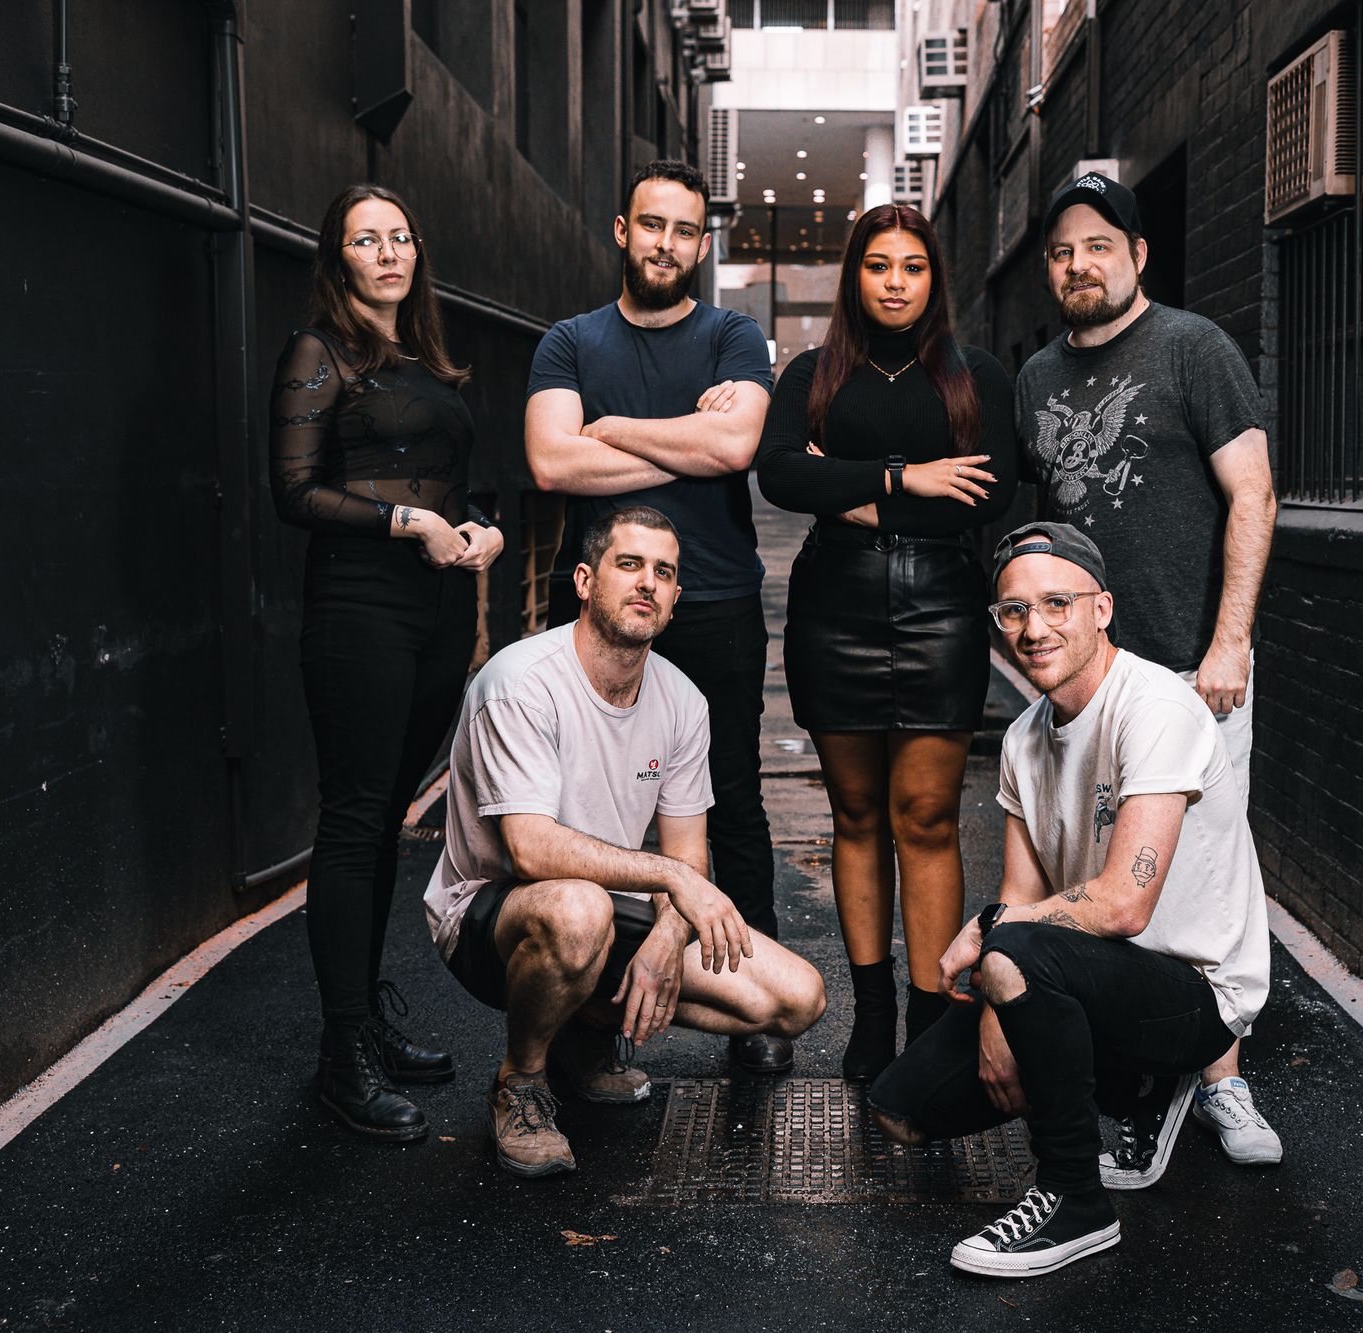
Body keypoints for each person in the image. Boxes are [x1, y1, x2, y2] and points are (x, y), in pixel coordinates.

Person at [868, 523, 1270, 1277]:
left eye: (1056, 603)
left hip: (1193, 995)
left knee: (1015, 946)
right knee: (901, 1109)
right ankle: (1133, 1087)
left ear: (1102, 608)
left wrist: (993, 940)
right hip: (1087, 980)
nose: (1034, 627)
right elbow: (1019, 897)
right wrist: (995, 1010)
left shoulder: (1156, 708)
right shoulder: (1024, 737)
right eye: (1013, 611)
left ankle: (1076, 1201)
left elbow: (1124, 905)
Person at [422, 506, 827, 1176]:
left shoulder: (682, 702)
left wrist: (667, 940)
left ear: (672, 603)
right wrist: (671, 882)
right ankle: (521, 1081)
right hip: (490, 917)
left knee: (794, 998)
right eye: (629, 564)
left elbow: (688, 853)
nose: (647, 582)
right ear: (584, 580)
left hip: (608, 910)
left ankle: (584, 1032)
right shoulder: (520, 683)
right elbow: (528, 848)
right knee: (581, 912)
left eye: (663, 573)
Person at [1017, 172, 1283, 1166]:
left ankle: (1222, 1081)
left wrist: (1229, 640)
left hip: (1187, 667)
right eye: (1060, 250)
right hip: (1088, 686)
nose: (1077, 263)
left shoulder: (1191, 347)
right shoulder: (1035, 378)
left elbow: (1250, 495)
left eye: (1097, 243)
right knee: (1102, 883)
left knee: (1206, 883)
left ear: (1134, 253)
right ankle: (1135, 1076)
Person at [524, 160, 792, 1074]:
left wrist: (610, 430)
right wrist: (683, 440)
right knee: (583, 805)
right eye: (651, 226)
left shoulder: (733, 334)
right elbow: (553, 468)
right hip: (597, 606)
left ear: (702, 244)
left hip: (714, 600)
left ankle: (750, 1008)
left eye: (683, 230)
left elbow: (737, 445)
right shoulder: (568, 342)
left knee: (733, 799)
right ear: (621, 230)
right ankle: (573, 1014)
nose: (666, 244)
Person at [755, 204, 1016, 1080]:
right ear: (854, 276)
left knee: (928, 818)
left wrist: (849, 486)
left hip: (943, 610)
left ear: (934, 277)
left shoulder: (974, 375)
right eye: (878, 265)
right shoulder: (813, 370)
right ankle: (873, 1020)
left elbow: (988, 492)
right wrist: (910, 477)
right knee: (856, 816)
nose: (895, 281)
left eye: (912, 266)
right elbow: (783, 471)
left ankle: (932, 1022)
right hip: (835, 611)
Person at [269, 184, 505, 1141]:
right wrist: (404, 520)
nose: (390, 252)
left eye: (402, 236)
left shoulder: (433, 363)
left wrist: (484, 529)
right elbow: (293, 492)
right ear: (341, 258)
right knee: (357, 816)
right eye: (368, 240)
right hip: (357, 609)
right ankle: (341, 1051)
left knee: (382, 825)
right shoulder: (318, 355)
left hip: (437, 611)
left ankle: (363, 1019)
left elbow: (469, 486)